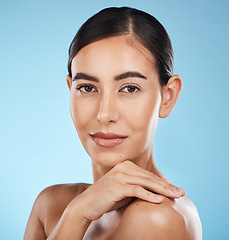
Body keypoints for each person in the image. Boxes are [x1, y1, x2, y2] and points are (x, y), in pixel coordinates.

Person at [24, 7, 202, 240]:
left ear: (167, 96)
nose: (104, 114)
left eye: (130, 88)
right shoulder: (51, 204)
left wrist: (76, 216)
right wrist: (77, 212)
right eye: (87, 88)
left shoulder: (158, 218)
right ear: (71, 91)